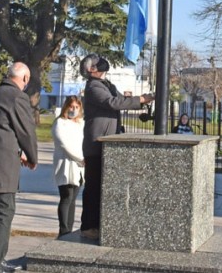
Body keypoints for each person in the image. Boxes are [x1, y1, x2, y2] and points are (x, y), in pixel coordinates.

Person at [80, 54, 154, 241]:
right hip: (96, 143)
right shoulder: (93, 86)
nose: (102, 63)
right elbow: (113, 103)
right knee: (93, 187)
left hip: (107, 142)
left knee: (103, 186)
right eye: (97, 63)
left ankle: (100, 223)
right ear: (91, 70)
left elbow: (121, 99)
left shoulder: (107, 85)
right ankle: (88, 226)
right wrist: (141, 100)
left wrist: (142, 100)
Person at [0, 62, 39, 273]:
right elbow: (26, 131)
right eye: (27, 81)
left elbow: (2, 129)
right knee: (4, 212)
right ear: (24, 79)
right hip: (4, 165)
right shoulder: (17, 96)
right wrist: (32, 156)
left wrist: (18, 151)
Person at [52, 96, 85, 237]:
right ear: (66, 107)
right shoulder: (60, 123)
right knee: (66, 196)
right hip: (66, 163)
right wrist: (80, 158)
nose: (74, 110)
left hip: (80, 166)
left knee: (73, 199)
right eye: (71, 107)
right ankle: (63, 230)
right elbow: (64, 143)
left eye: (77, 107)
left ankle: (69, 231)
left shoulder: (81, 123)